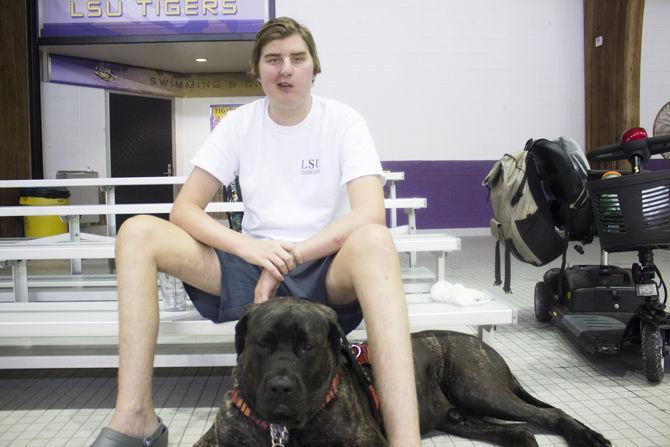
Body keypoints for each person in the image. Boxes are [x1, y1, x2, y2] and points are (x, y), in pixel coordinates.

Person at [92, 17, 421, 447]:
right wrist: (252, 250)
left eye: (297, 58)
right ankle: (135, 415)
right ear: (258, 69)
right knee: (136, 232)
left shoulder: (343, 121)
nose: (285, 69)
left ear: (313, 67)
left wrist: (293, 255)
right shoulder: (238, 123)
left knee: (376, 240)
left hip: (324, 264)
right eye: (273, 59)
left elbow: (369, 212)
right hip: (250, 263)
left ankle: (405, 440)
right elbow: (184, 209)